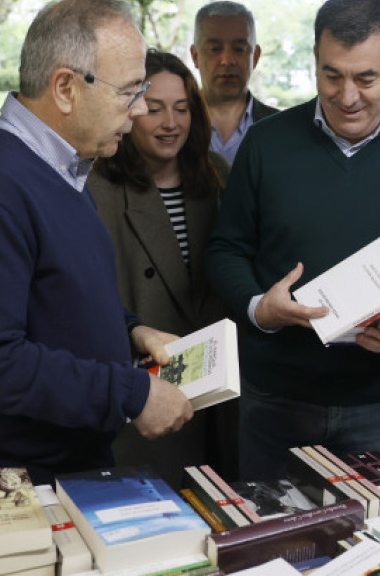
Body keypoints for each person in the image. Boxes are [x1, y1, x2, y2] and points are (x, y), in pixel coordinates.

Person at [205, 0, 380, 480]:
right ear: (316, 63)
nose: (347, 97)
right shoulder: (267, 143)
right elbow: (225, 249)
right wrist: (260, 307)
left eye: (366, 78)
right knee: (270, 541)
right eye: (332, 76)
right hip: (275, 397)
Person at [0, 0, 193, 486]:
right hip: (23, 485)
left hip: (73, 463)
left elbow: (53, 296)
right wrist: (130, 393)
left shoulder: (61, 167)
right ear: (64, 88)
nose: (140, 110)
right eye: (130, 91)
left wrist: (130, 332)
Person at [87, 50, 232, 485]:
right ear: (131, 109)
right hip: (143, 385)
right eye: (154, 109)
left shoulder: (218, 174)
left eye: (183, 108)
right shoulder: (96, 186)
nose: (171, 122)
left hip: (216, 384)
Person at [191, 1, 278, 164]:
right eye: (215, 49)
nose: (227, 60)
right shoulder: (172, 124)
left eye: (239, 49)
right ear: (195, 56)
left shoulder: (282, 129)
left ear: (256, 56)